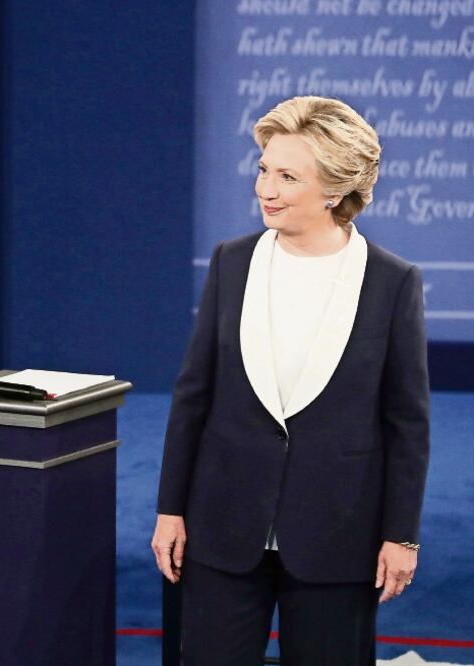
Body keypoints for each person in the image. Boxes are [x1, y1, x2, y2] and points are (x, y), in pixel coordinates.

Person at [151, 96, 430, 665]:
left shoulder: (392, 282)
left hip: (338, 536)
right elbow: (193, 397)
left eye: (287, 176)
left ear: (334, 189)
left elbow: (407, 424)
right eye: (263, 170)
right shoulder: (231, 263)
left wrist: (401, 535)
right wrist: (170, 508)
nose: (265, 189)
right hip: (223, 528)